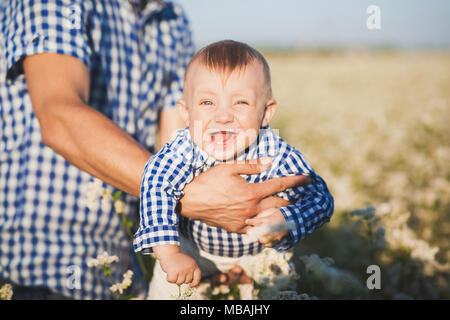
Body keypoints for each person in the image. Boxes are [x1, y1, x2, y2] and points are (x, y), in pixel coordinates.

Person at [0, 1, 305, 300]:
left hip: (130, 264)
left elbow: (178, 145)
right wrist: (198, 200)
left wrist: (220, 250)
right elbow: (59, 117)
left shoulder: (171, 18)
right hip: (37, 265)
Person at [134, 40, 335, 299]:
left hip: (259, 259)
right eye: (207, 102)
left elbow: (320, 198)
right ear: (185, 112)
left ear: (265, 113)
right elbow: (155, 184)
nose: (223, 116)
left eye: (240, 102)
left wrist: (289, 219)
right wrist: (169, 253)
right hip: (191, 252)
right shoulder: (185, 148)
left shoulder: (275, 151)